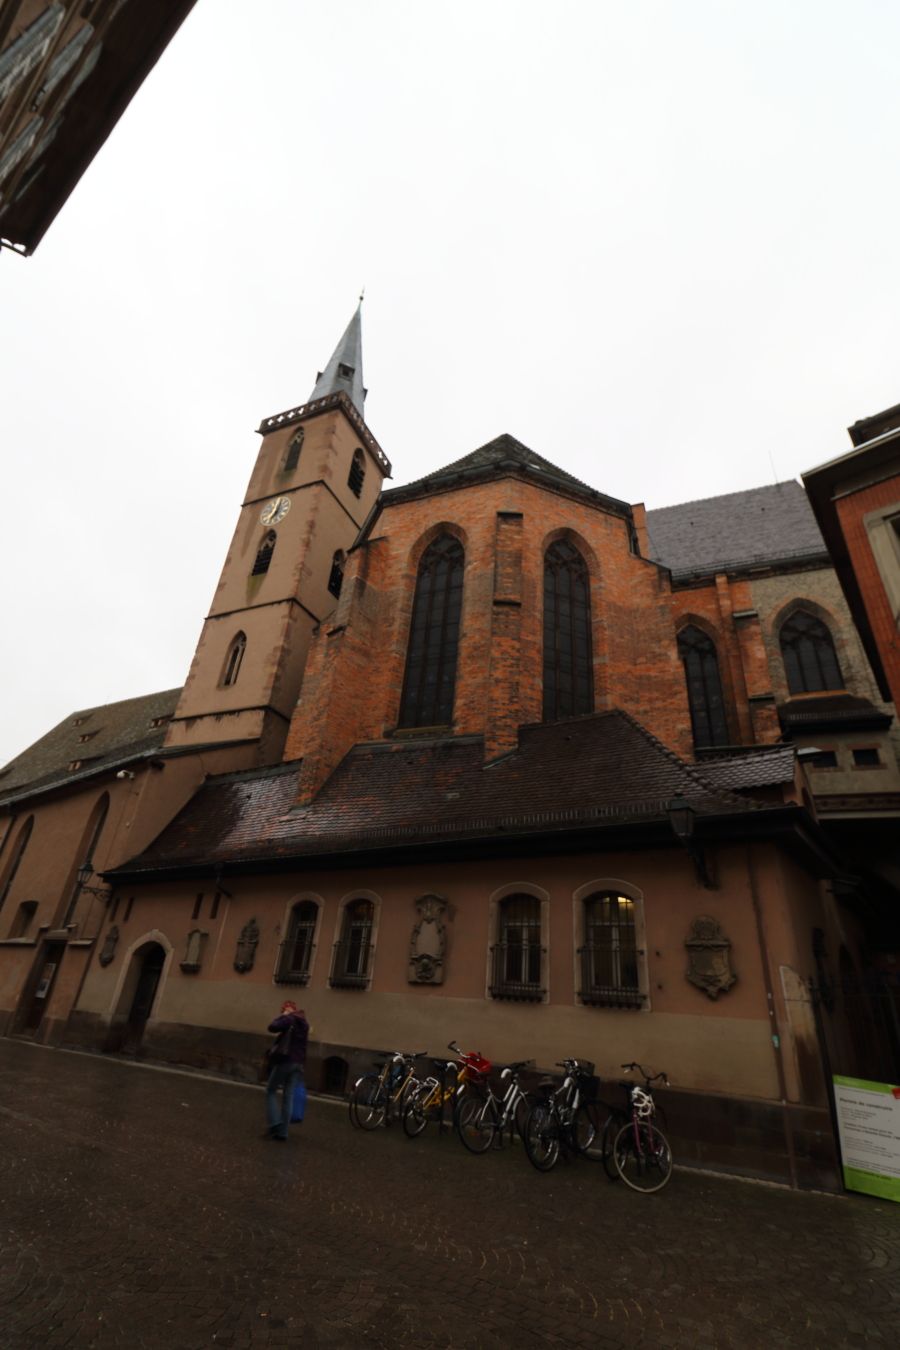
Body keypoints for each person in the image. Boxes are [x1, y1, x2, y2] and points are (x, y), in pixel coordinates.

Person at [263, 1000, 309, 1141]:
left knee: (270, 1090)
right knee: (288, 1096)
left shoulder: (289, 1019)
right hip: (298, 1063)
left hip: (285, 1060)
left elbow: (272, 1027)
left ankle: (275, 1123)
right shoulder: (304, 1024)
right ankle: (283, 1132)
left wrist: (284, 1015)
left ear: (290, 1010)